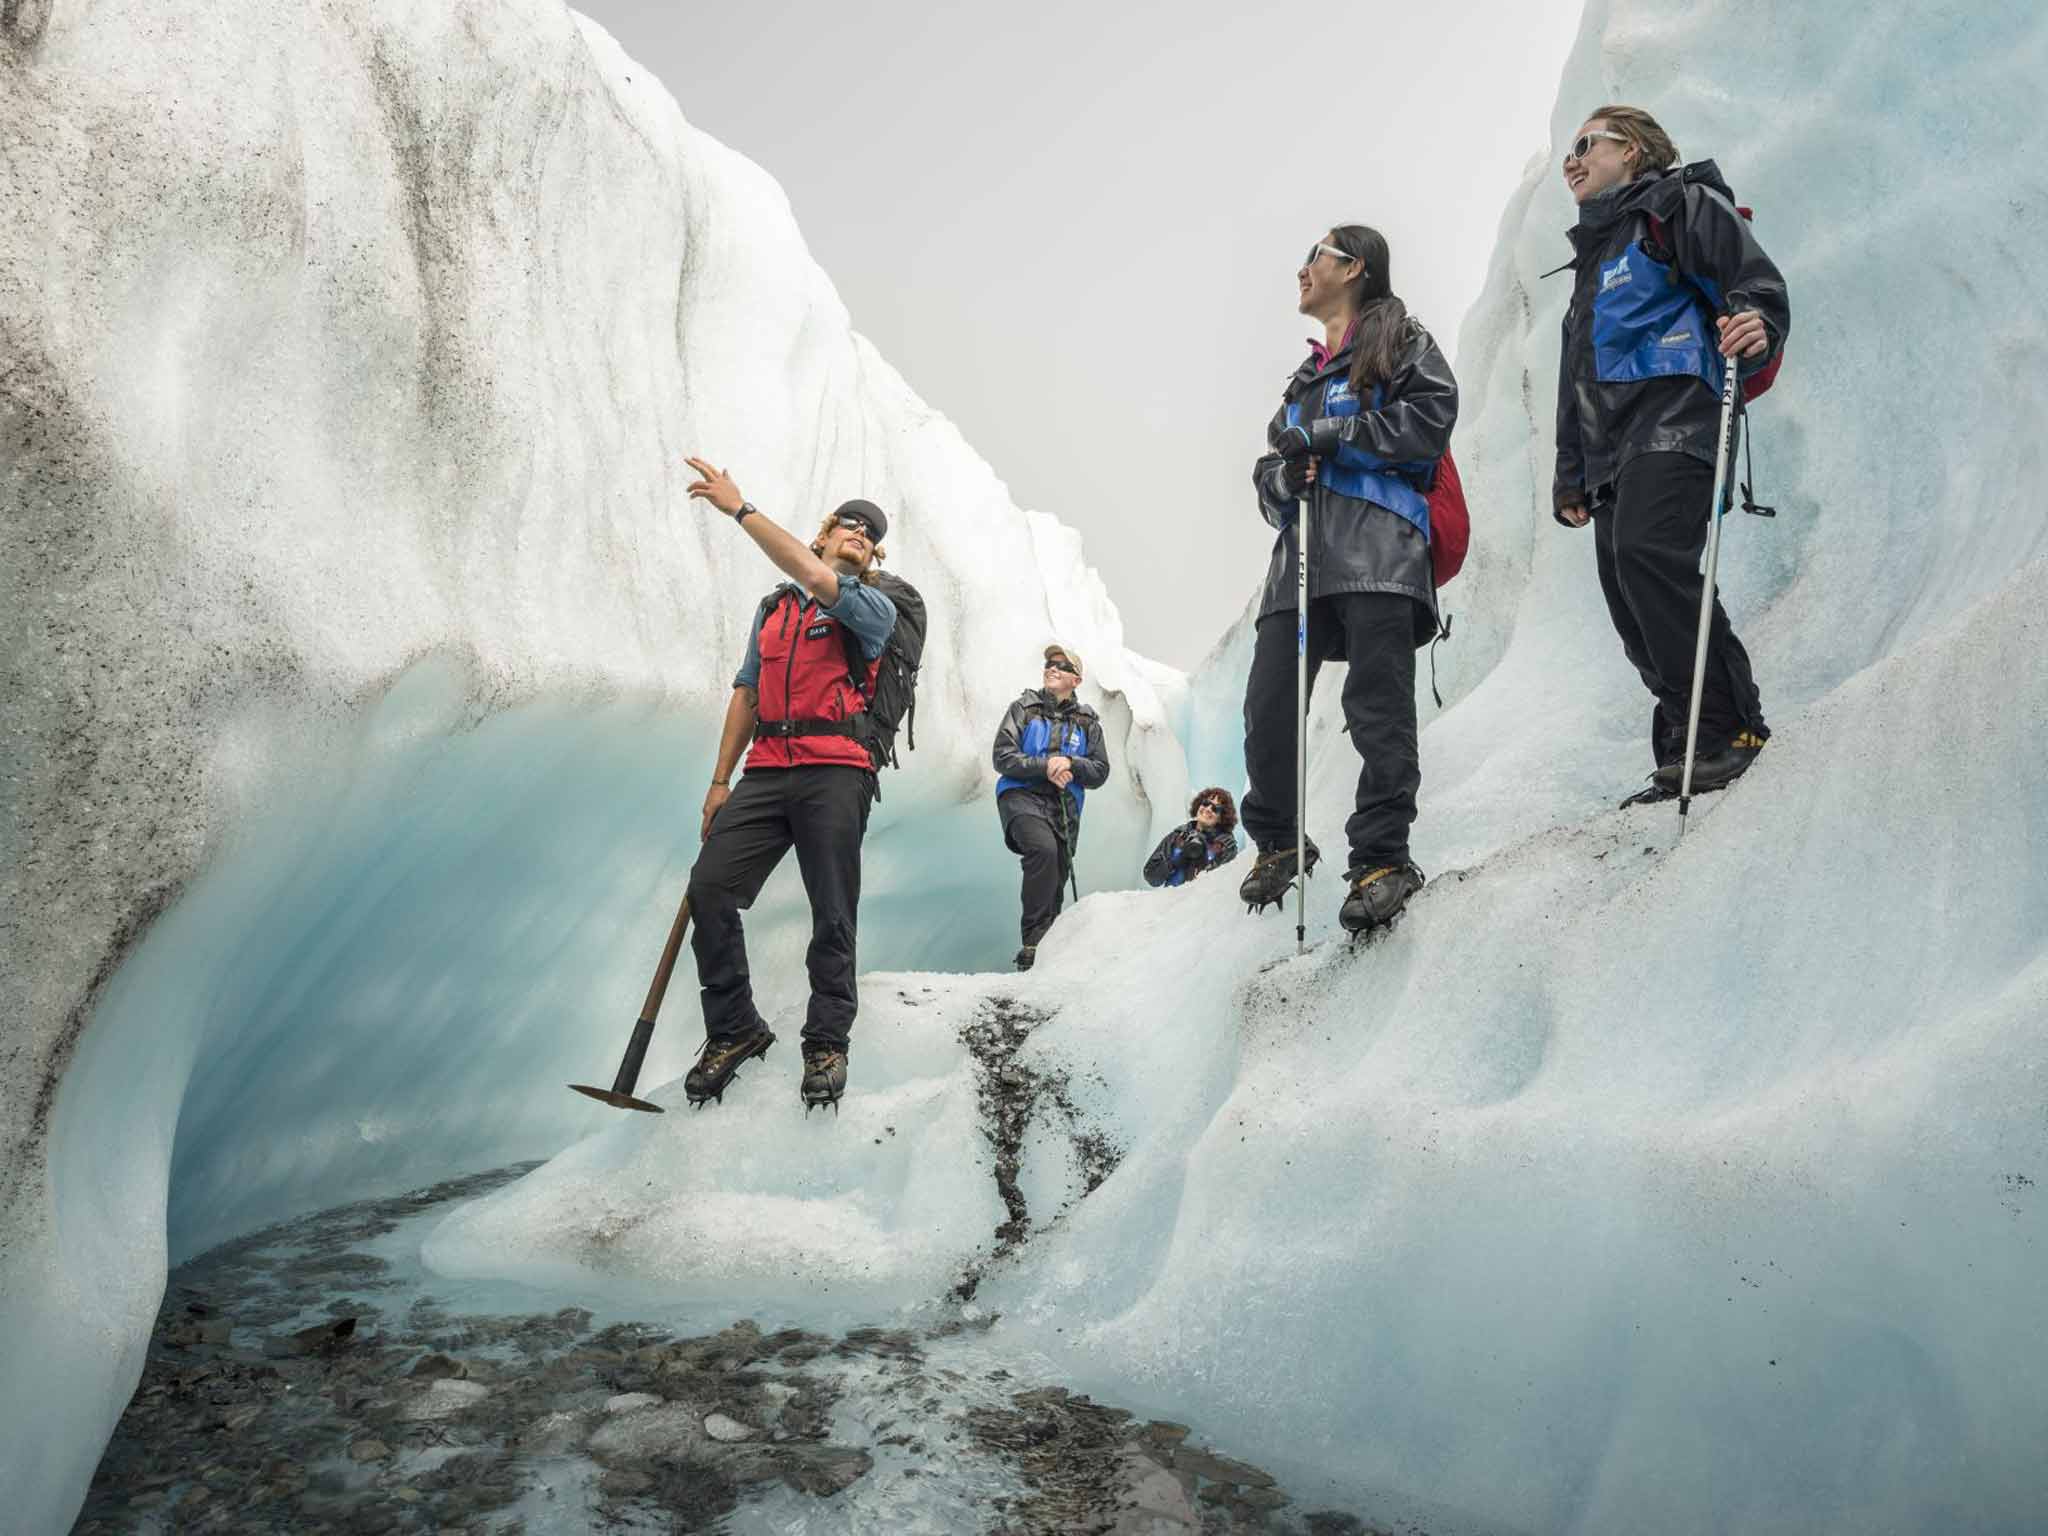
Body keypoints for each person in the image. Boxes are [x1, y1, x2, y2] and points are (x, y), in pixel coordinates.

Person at [1552, 105, 1790, 803]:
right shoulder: (1594, 259)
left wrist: (1760, 318)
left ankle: (1729, 728)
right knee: (1629, 597)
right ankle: (1686, 740)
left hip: (1676, 415)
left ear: (1632, 151)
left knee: (1651, 558)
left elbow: (1748, 274)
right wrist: (1572, 473)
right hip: (1610, 447)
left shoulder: (1676, 203)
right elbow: (1577, 378)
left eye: (1585, 145)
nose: (1572, 159)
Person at [1237, 226, 1458, 934]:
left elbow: (1428, 421)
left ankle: (1382, 859)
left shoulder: (1404, 342)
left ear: (1355, 267)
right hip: (1300, 561)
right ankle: (1277, 839)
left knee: (1376, 708)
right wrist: (1282, 475)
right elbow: (1269, 479)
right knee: (1267, 706)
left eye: (1316, 256)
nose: (1302, 268)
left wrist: (1331, 439)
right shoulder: (1302, 381)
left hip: (1380, 551)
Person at [678, 456, 898, 1111]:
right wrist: (720, 781)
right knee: (709, 890)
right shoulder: (773, 612)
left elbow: (810, 573)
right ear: (823, 533)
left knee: (832, 911)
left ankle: (826, 1043)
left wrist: (740, 508)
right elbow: (747, 691)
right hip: (767, 771)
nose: (859, 531)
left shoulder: (870, 607)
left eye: (870, 533)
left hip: (836, 769)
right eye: (848, 524)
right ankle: (735, 1028)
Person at [991, 643, 1110, 970]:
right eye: (1048, 663)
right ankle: (1033, 942)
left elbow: (1100, 770)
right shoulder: (1023, 709)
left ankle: (1047, 956)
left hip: (1064, 808)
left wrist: (1070, 763)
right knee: (1042, 850)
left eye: (1061, 664)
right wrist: (1047, 765)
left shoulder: (1088, 723)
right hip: (1020, 796)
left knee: (1057, 869)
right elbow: (1002, 756)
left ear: (1077, 679)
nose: (1051, 667)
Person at [1143, 787, 1241, 888]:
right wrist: (1174, 857)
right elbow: (1151, 877)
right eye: (1206, 803)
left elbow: (1222, 884)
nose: (1208, 809)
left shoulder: (1225, 844)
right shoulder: (1178, 836)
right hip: (1171, 900)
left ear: (1222, 818)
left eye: (1215, 809)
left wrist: (1211, 855)